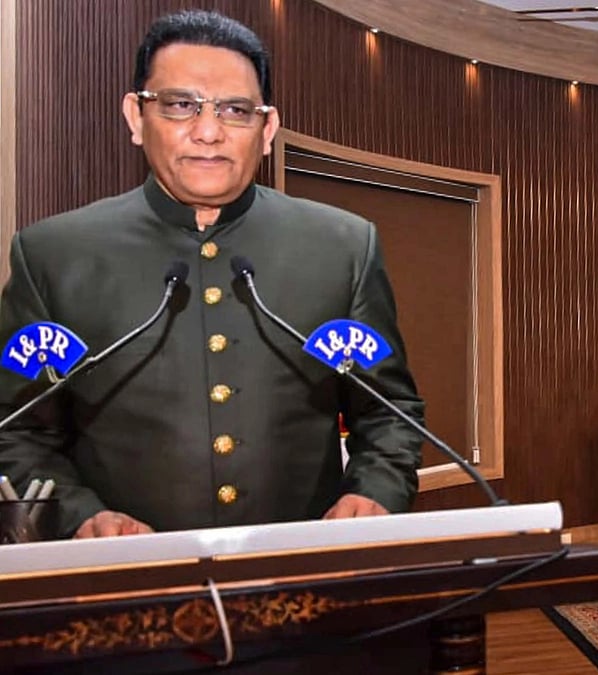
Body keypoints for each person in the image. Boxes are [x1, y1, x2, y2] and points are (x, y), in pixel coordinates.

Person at [0, 10, 425, 539]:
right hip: (127, 577)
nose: (208, 132)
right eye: (180, 105)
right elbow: (16, 432)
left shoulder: (342, 248)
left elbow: (388, 412)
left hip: (301, 573)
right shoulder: (54, 256)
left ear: (267, 129)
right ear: (136, 117)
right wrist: (80, 517)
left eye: (235, 110)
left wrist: (373, 492)